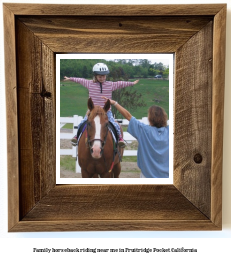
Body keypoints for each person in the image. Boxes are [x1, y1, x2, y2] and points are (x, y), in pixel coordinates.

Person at [64, 62, 139, 148]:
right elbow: (80, 80)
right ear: (95, 75)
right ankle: (76, 136)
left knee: (115, 124)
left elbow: (120, 83)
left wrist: (131, 83)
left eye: (104, 76)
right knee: (83, 123)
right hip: (92, 111)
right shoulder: (90, 84)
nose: (102, 78)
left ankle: (120, 138)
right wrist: (70, 78)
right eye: (100, 76)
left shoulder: (110, 85)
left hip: (106, 111)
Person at [102, 96, 169, 178]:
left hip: (147, 176)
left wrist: (114, 103)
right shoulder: (170, 131)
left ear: (150, 118)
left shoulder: (144, 131)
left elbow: (128, 116)